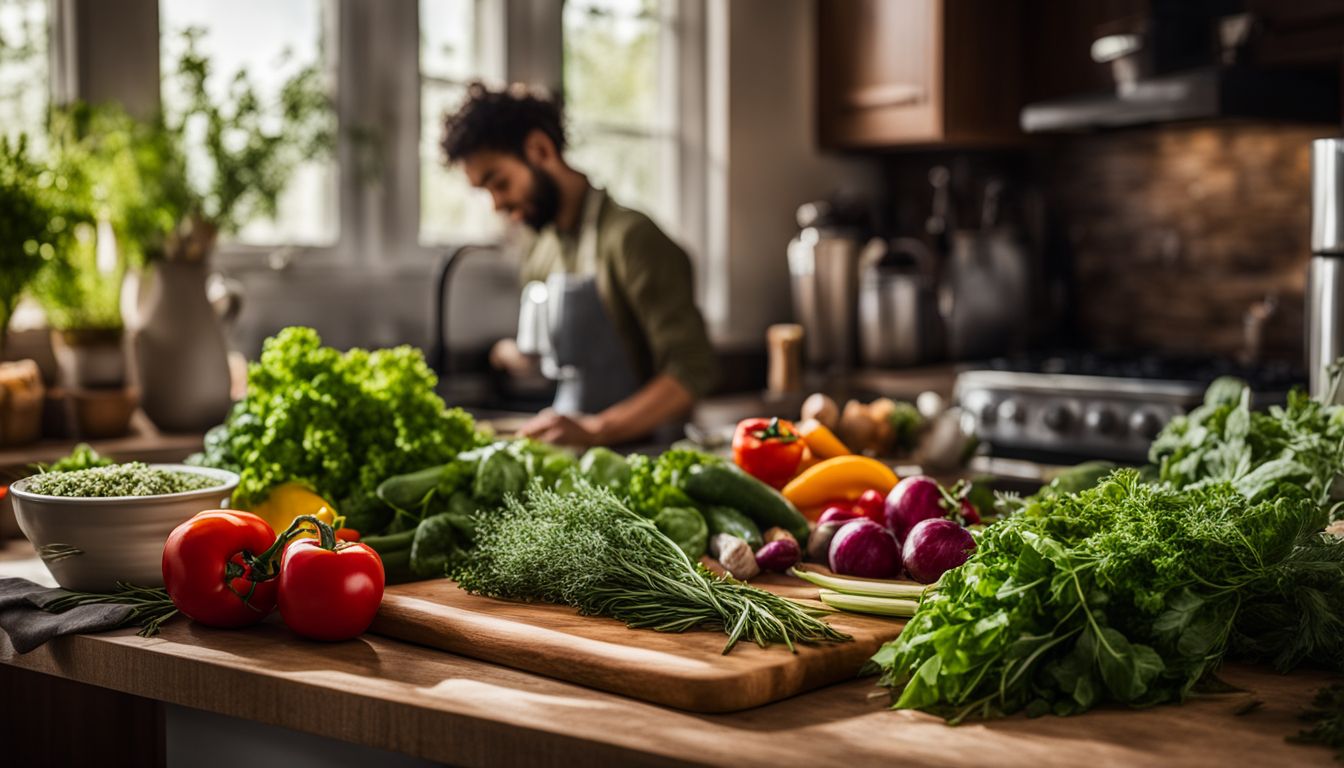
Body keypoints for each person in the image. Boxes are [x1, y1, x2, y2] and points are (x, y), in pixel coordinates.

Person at [441, 82, 717, 447]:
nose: (496, 205)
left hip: (650, 452)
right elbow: (554, 359)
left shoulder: (632, 239)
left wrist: (597, 429)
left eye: (500, 182)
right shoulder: (540, 250)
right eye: (486, 191)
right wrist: (506, 353)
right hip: (580, 453)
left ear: (540, 150)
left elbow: (692, 371)